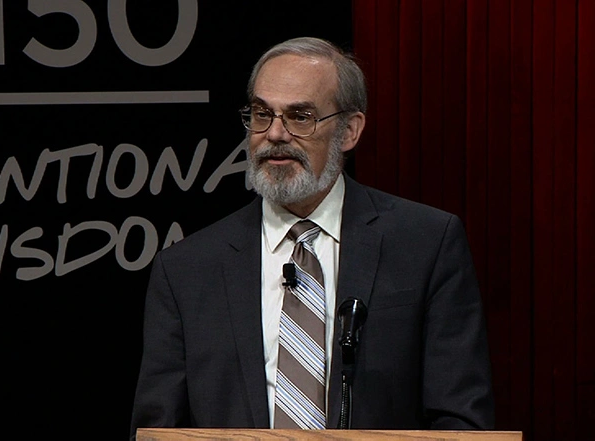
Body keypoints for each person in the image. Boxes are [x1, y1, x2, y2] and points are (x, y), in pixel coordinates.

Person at [130, 37, 494, 437]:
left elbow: (460, 419)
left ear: (350, 130)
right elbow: (158, 429)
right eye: (261, 114)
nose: (275, 134)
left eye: (300, 116)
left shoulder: (426, 244)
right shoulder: (186, 270)